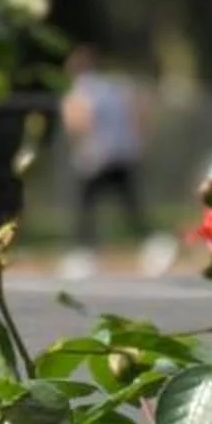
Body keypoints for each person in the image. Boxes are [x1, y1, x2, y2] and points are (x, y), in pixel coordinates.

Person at [60, 45, 146, 268]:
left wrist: (82, 142)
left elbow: (80, 119)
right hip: (122, 151)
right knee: (128, 202)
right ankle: (147, 242)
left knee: (86, 204)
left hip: (97, 155)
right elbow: (134, 111)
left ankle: (84, 251)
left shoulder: (80, 89)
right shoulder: (112, 86)